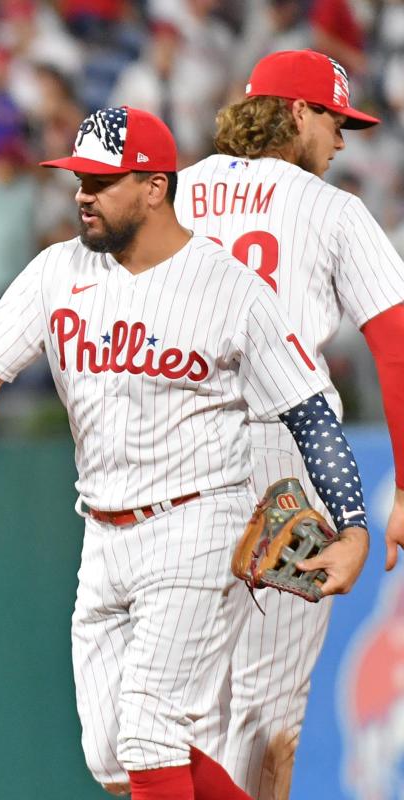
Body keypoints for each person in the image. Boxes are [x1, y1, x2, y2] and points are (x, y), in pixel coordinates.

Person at [0, 106, 371, 800]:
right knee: (113, 757)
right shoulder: (59, 271)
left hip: (198, 521)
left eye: (102, 180)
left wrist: (352, 524)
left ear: (154, 187)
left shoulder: (229, 288)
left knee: (150, 735)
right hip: (103, 534)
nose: (82, 193)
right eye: (79, 178)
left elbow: (310, 414)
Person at [176, 49, 404, 799]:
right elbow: (396, 344)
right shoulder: (330, 208)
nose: (342, 141)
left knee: (175, 704)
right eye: (335, 120)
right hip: (288, 450)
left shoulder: (169, 192)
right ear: (297, 113)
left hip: (177, 454)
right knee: (267, 704)